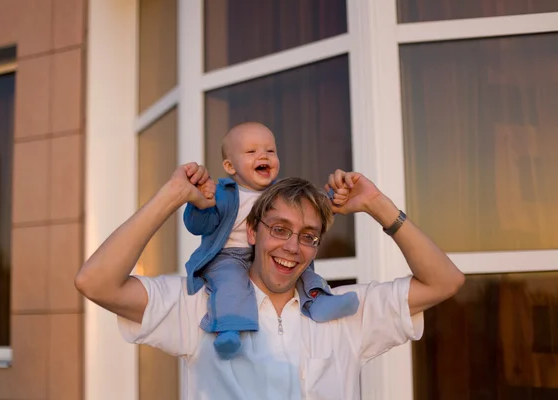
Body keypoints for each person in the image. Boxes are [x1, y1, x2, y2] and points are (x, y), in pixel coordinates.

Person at [75, 162, 465, 400]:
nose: (292, 247)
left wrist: (378, 205)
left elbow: (444, 281)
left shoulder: (345, 310)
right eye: (279, 228)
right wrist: (172, 196)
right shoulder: (198, 305)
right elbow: (96, 282)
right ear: (252, 232)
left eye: (308, 235)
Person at [184, 122, 358, 359]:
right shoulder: (223, 193)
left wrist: (333, 197)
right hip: (230, 255)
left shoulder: (282, 192)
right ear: (229, 166)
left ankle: (319, 302)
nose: (263, 156)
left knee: (306, 274)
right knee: (230, 283)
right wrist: (198, 204)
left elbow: (312, 207)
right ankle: (229, 328)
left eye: (270, 151)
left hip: (267, 253)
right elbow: (199, 225)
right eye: (251, 152)